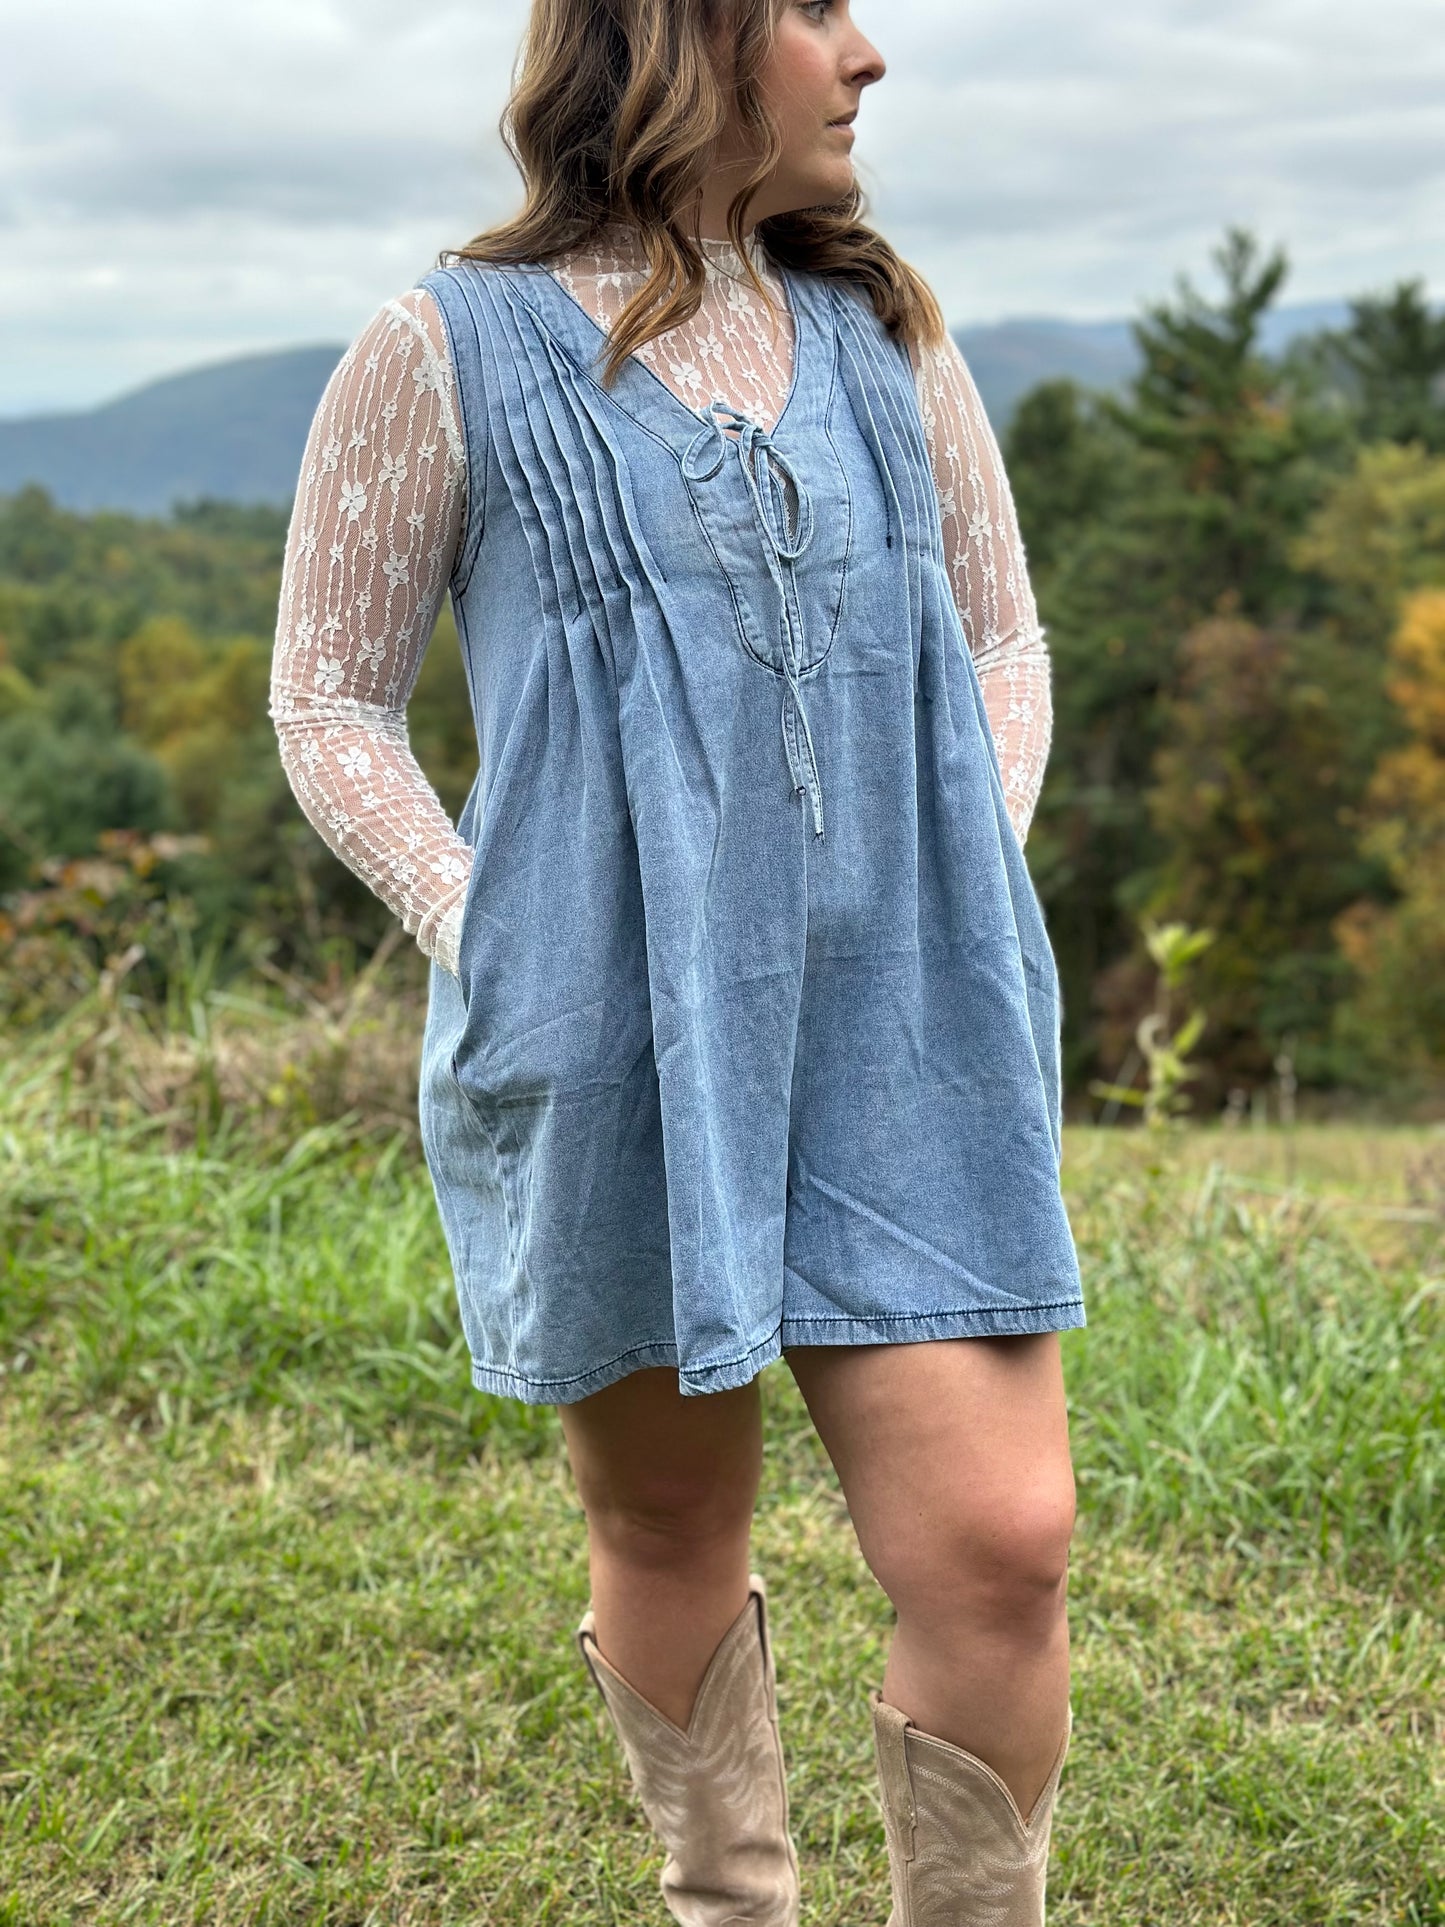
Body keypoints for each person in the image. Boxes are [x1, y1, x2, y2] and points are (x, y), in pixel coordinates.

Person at [270, 0, 1086, 1919]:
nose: (867, 56)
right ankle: (731, 1904)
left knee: (1001, 1543)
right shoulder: (442, 347)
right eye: (817, 11)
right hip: (612, 1042)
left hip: (910, 1023)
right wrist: (500, 932)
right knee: (663, 1514)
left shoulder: (888, 336)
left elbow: (1001, 654)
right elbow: (328, 703)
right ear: (677, 38)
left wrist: (947, 888)